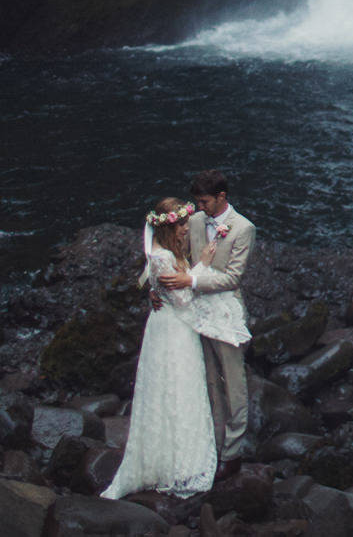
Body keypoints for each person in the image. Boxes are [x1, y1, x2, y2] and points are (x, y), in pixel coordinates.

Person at [100, 198, 217, 500]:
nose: (185, 230)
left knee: (177, 390)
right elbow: (182, 301)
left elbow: (162, 289)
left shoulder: (167, 254)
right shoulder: (163, 257)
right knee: (173, 389)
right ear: (168, 228)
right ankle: (172, 464)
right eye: (181, 225)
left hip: (173, 328)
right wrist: (202, 265)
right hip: (172, 332)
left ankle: (175, 457)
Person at [159, 168, 256, 462]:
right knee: (211, 382)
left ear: (221, 196)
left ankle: (233, 452)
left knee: (234, 383)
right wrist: (158, 284)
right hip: (197, 312)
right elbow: (180, 256)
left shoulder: (243, 228)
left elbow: (232, 278)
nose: (199, 208)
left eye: (204, 202)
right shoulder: (197, 221)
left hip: (226, 314)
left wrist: (192, 281)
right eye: (198, 202)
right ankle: (214, 448)